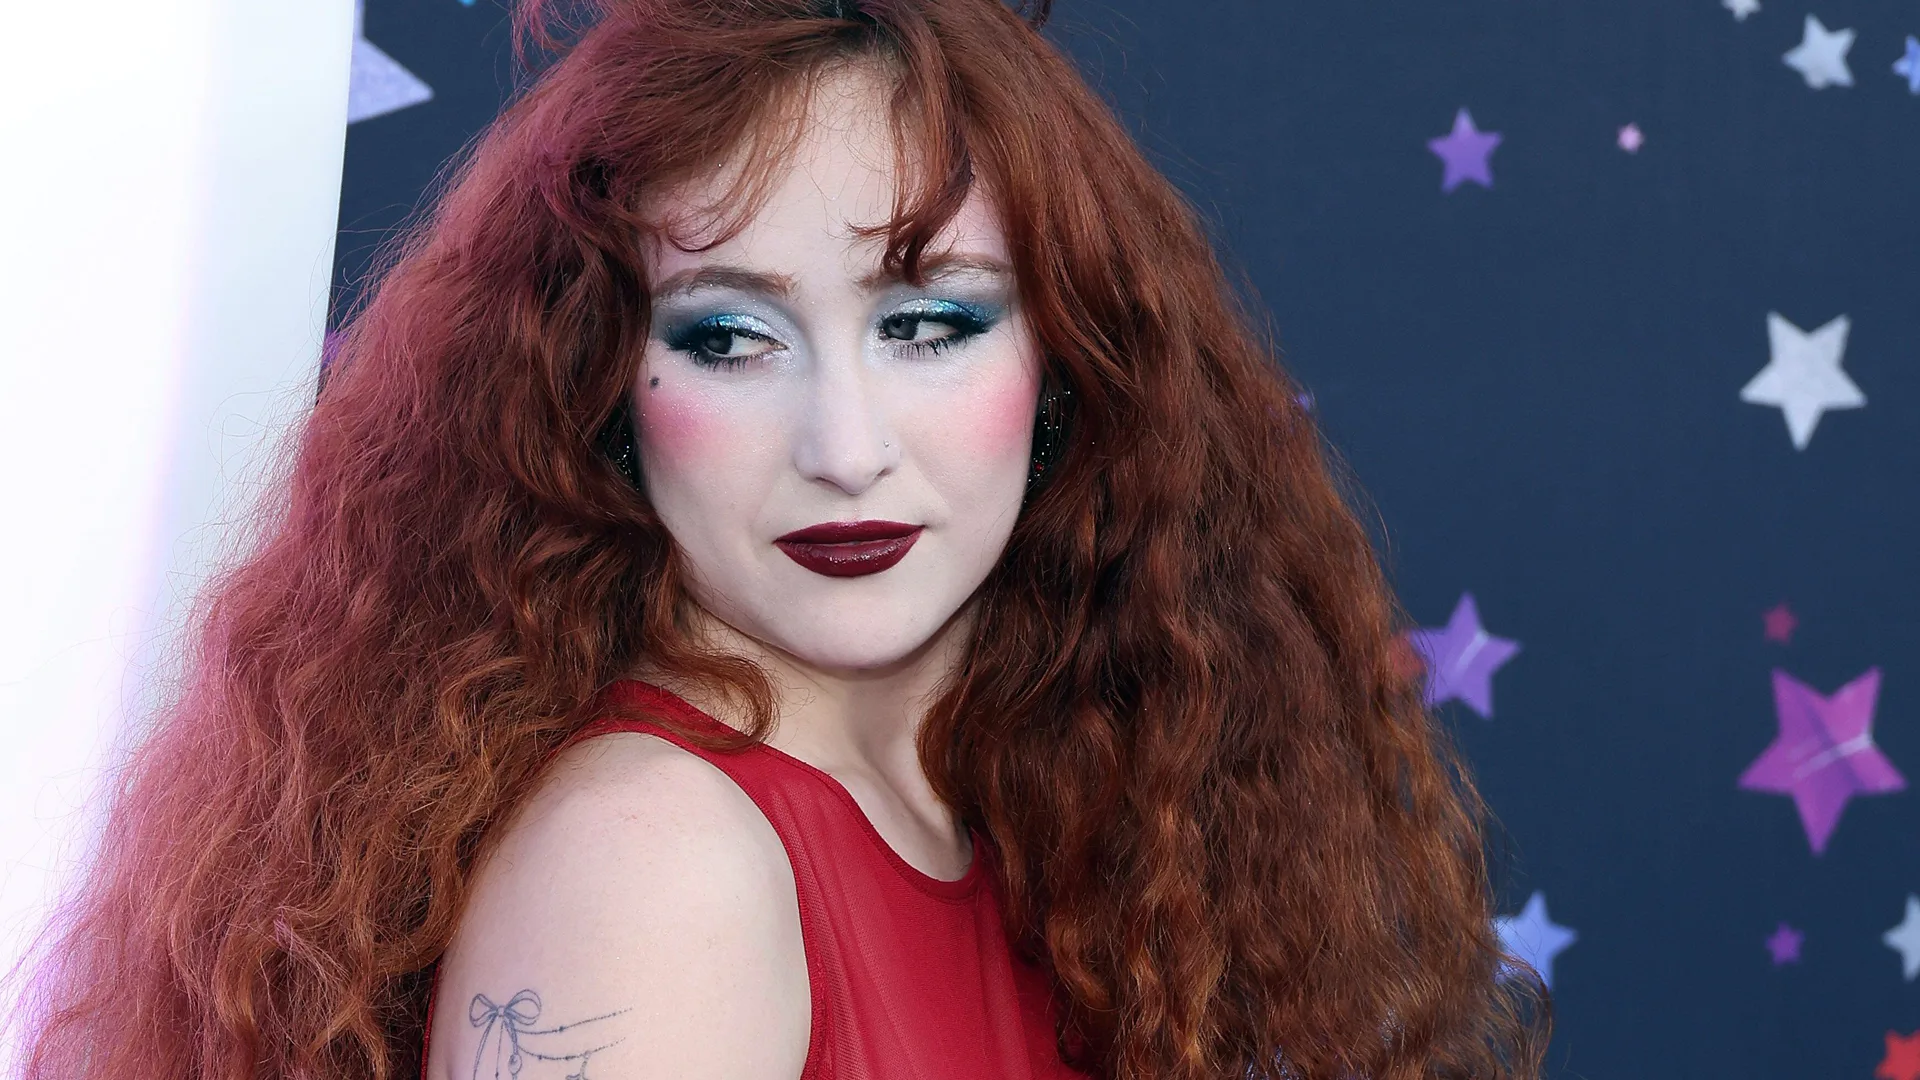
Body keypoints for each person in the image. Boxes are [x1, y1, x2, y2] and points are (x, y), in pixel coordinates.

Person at [13, 0, 1548, 1077]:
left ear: (1065, 368)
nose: (845, 445)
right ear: (604, 393)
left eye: (932, 322)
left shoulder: (1024, 805)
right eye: (733, 338)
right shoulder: (658, 864)